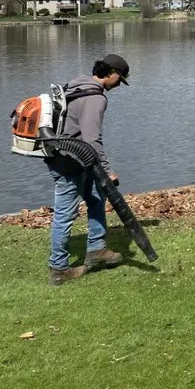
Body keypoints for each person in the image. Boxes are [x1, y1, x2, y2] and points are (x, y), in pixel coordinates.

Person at [46, 53, 130, 286]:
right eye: (119, 79)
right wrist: (108, 170)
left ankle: (97, 248)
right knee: (65, 214)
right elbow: (93, 139)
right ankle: (58, 268)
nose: (118, 85)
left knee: (96, 197)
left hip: (67, 156)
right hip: (70, 161)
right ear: (110, 74)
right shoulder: (96, 97)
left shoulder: (76, 84)